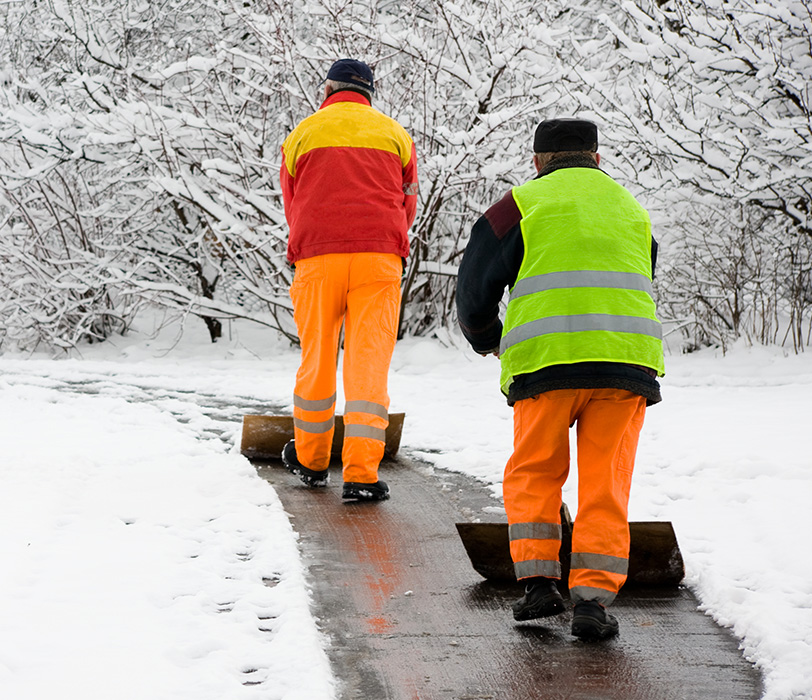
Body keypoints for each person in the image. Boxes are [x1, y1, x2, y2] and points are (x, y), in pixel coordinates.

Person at [456, 118, 664, 640]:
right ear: (596, 158)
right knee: (605, 481)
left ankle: (539, 584)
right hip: (624, 364)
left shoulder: (519, 204)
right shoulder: (631, 208)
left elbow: (475, 283)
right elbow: (643, 270)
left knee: (535, 471)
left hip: (545, 362)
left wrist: (486, 336)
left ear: (537, 162)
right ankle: (593, 601)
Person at [279, 58, 418, 501]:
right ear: (370, 93)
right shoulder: (396, 135)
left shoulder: (303, 134)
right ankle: (361, 475)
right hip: (379, 259)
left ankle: (313, 461)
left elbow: (292, 201)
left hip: (319, 258)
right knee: (368, 363)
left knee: (317, 357)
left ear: (327, 90)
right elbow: (407, 205)